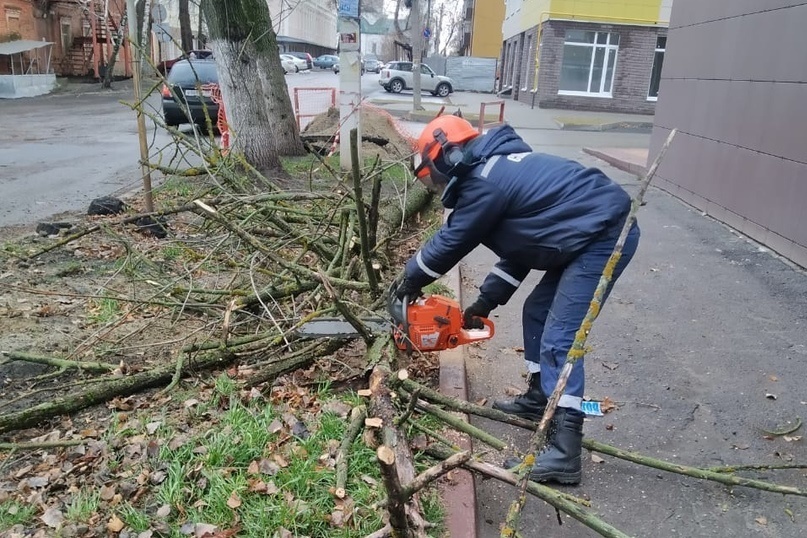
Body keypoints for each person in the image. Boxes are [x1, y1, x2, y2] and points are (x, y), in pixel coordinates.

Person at [393, 114, 640, 485]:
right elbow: (523, 249)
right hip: (584, 236)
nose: (434, 183)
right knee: (537, 311)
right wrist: (484, 303)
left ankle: (564, 451)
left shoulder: (485, 182)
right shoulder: (495, 175)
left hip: (604, 235)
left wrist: (407, 280)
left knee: (561, 337)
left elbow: (452, 241)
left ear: (448, 156)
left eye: (431, 174)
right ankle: (542, 395)